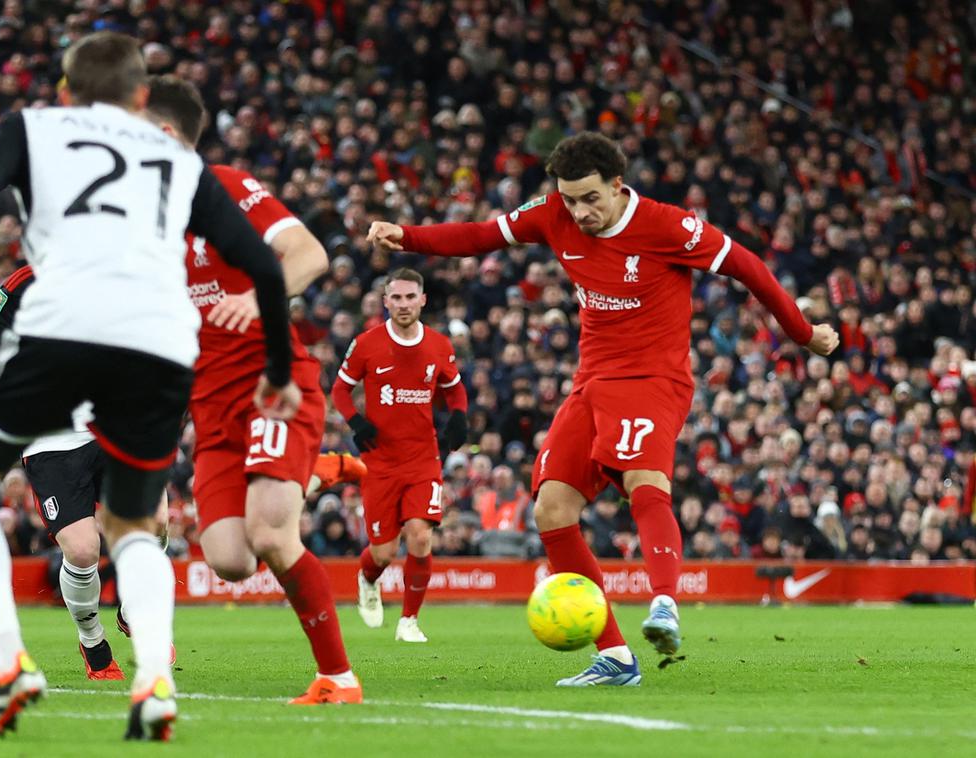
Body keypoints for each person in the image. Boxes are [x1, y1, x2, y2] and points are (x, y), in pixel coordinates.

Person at [368, 132, 838, 685]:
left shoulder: (669, 225)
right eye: (569, 199)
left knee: (643, 477)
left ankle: (665, 604)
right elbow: (481, 234)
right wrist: (410, 237)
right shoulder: (552, 214)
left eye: (590, 198)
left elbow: (750, 268)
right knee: (551, 510)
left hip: (654, 379)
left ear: (618, 186)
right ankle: (615, 656)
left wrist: (803, 334)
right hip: (591, 381)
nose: (579, 212)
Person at [0, 33, 297, 741]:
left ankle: (11, 662)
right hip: (160, 344)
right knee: (137, 528)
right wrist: (280, 370)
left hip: (64, 328)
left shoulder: (32, 128)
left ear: (66, 93)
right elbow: (260, 259)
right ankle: (153, 679)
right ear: (141, 98)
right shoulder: (176, 158)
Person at [145, 76, 361, 704]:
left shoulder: (226, 190)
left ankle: (338, 678)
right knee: (231, 559)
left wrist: (255, 291)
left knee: (271, 535)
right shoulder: (141, 221)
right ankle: (314, 471)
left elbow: (308, 253)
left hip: (274, 386)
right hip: (209, 408)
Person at [0, 263, 170, 682]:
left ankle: (134, 608)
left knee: (156, 523)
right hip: (52, 438)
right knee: (83, 550)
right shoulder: (20, 285)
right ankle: (92, 640)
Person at [330, 268, 469, 643]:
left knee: (420, 536)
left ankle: (409, 620)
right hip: (381, 462)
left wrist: (458, 417)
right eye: (397, 298)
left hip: (424, 459)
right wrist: (356, 422)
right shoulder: (366, 344)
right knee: (383, 551)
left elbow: (455, 391)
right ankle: (367, 579)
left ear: (422, 300)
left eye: (411, 297)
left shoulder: (440, 345)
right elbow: (340, 391)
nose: (404, 304)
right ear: (385, 301)